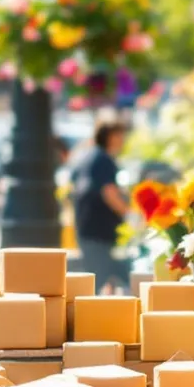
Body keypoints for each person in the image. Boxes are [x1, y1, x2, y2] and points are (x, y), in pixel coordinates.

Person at [71, 116, 133, 294]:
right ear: (110, 136)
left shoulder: (89, 156)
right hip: (98, 232)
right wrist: (129, 214)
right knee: (99, 278)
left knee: (101, 277)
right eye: (120, 135)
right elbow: (109, 192)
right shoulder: (103, 160)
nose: (123, 140)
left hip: (88, 229)